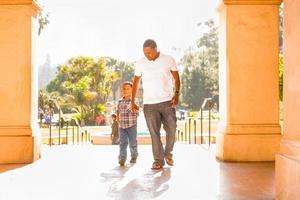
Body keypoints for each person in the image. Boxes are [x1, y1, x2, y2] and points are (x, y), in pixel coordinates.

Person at [131, 39, 180, 170]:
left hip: (167, 101)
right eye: (145, 53)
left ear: (156, 49)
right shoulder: (140, 63)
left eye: (149, 53)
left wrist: (177, 94)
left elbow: (176, 78)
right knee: (154, 133)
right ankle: (158, 160)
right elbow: (136, 82)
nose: (147, 55)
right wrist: (133, 101)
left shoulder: (168, 59)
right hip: (149, 104)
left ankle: (168, 153)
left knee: (172, 128)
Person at [117, 82, 139, 166]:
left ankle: (134, 156)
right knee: (123, 143)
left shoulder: (134, 100)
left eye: (128, 89)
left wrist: (134, 107)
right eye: (124, 89)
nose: (126, 90)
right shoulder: (120, 101)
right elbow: (118, 111)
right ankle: (122, 158)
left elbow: (137, 110)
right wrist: (118, 118)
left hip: (132, 125)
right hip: (122, 126)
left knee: (133, 142)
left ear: (132, 90)